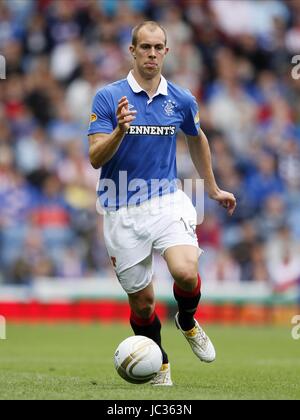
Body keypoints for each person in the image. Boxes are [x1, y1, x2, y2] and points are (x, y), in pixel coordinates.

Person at [88, 21, 236, 386]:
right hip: (121, 209)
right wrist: (120, 131)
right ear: (132, 51)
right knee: (142, 305)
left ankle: (186, 320)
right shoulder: (109, 98)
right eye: (145, 47)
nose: (152, 54)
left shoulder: (181, 99)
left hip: (167, 200)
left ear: (166, 51)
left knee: (186, 271)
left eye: (158, 47)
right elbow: (94, 157)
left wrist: (212, 188)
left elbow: (196, 137)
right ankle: (159, 363)